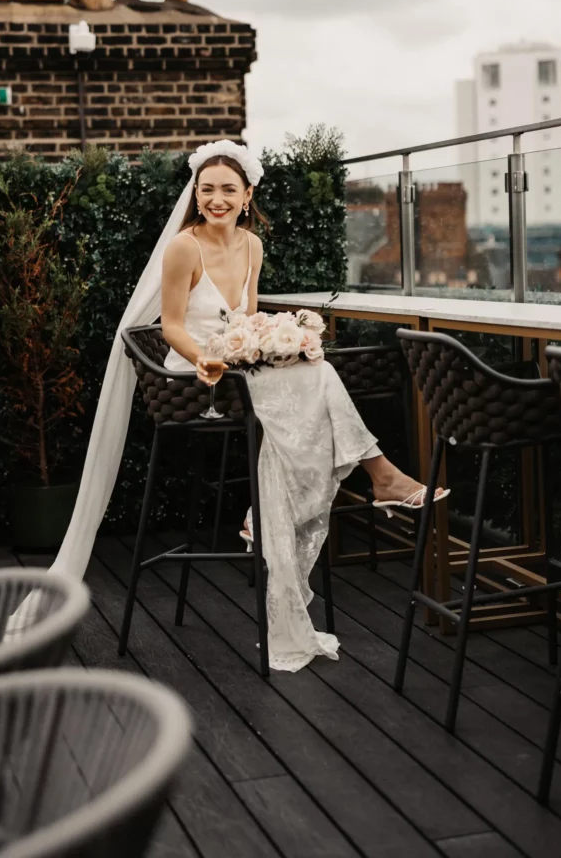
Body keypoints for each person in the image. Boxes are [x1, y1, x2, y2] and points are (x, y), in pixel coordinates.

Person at [160, 141, 448, 671]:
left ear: (248, 196)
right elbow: (172, 324)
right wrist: (205, 356)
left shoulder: (251, 246)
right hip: (196, 370)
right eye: (207, 190)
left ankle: (266, 516)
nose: (217, 198)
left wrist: (276, 337)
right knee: (316, 377)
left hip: (242, 364)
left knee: (314, 370)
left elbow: (246, 317)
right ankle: (380, 475)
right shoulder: (183, 248)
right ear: (196, 196)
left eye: (228, 190)